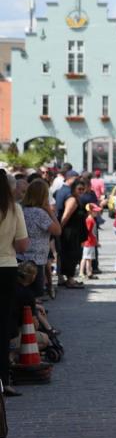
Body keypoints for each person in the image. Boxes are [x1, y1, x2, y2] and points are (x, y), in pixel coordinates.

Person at [0, 169, 30, 396]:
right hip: (6, 267)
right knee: (2, 325)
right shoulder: (13, 209)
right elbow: (22, 245)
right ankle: (3, 379)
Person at [19, 179, 61, 298]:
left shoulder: (22, 210)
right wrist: (49, 211)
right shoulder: (39, 213)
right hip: (35, 259)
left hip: (21, 256)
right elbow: (57, 230)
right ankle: (33, 314)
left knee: (23, 292)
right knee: (35, 293)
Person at [59, 180, 89, 289]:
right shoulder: (72, 200)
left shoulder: (78, 199)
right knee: (71, 255)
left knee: (73, 255)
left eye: (83, 189)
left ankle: (68, 278)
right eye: (79, 189)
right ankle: (70, 280)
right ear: (73, 189)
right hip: (70, 233)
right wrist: (59, 229)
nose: (81, 191)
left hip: (75, 232)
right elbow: (65, 216)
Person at [79, 203, 100, 281]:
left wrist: (96, 241)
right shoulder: (89, 220)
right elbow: (87, 232)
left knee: (89, 258)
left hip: (91, 242)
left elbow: (93, 232)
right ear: (90, 211)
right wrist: (84, 241)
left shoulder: (92, 220)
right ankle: (81, 272)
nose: (97, 213)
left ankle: (89, 273)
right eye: (95, 211)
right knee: (85, 258)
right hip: (88, 242)